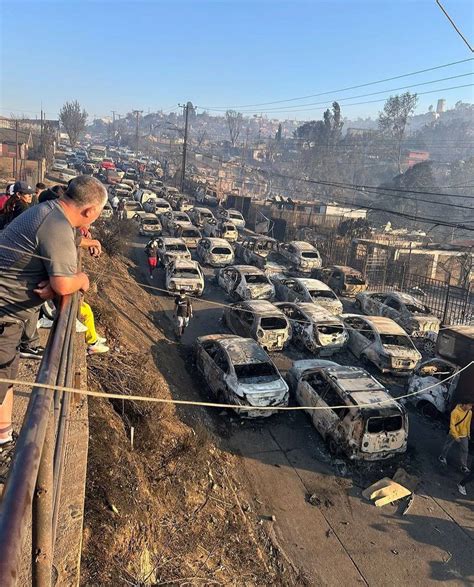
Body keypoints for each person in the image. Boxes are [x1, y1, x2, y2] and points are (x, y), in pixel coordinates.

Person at [0, 175, 107, 450]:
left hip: (10, 317)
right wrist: (80, 279)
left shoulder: (50, 211)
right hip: (4, 315)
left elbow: (62, 254)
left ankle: (3, 439)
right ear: (90, 211)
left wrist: (57, 278)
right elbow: (63, 283)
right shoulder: (56, 225)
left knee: (6, 380)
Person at [439, 403, 472, 473]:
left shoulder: (469, 412)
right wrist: (456, 436)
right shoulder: (455, 412)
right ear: (464, 404)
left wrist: (468, 434)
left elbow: (468, 423)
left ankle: (463, 466)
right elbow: (452, 425)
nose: (471, 407)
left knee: (465, 449)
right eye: (470, 405)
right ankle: (442, 456)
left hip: (464, 434)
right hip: (454, 433)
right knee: (448, 445)